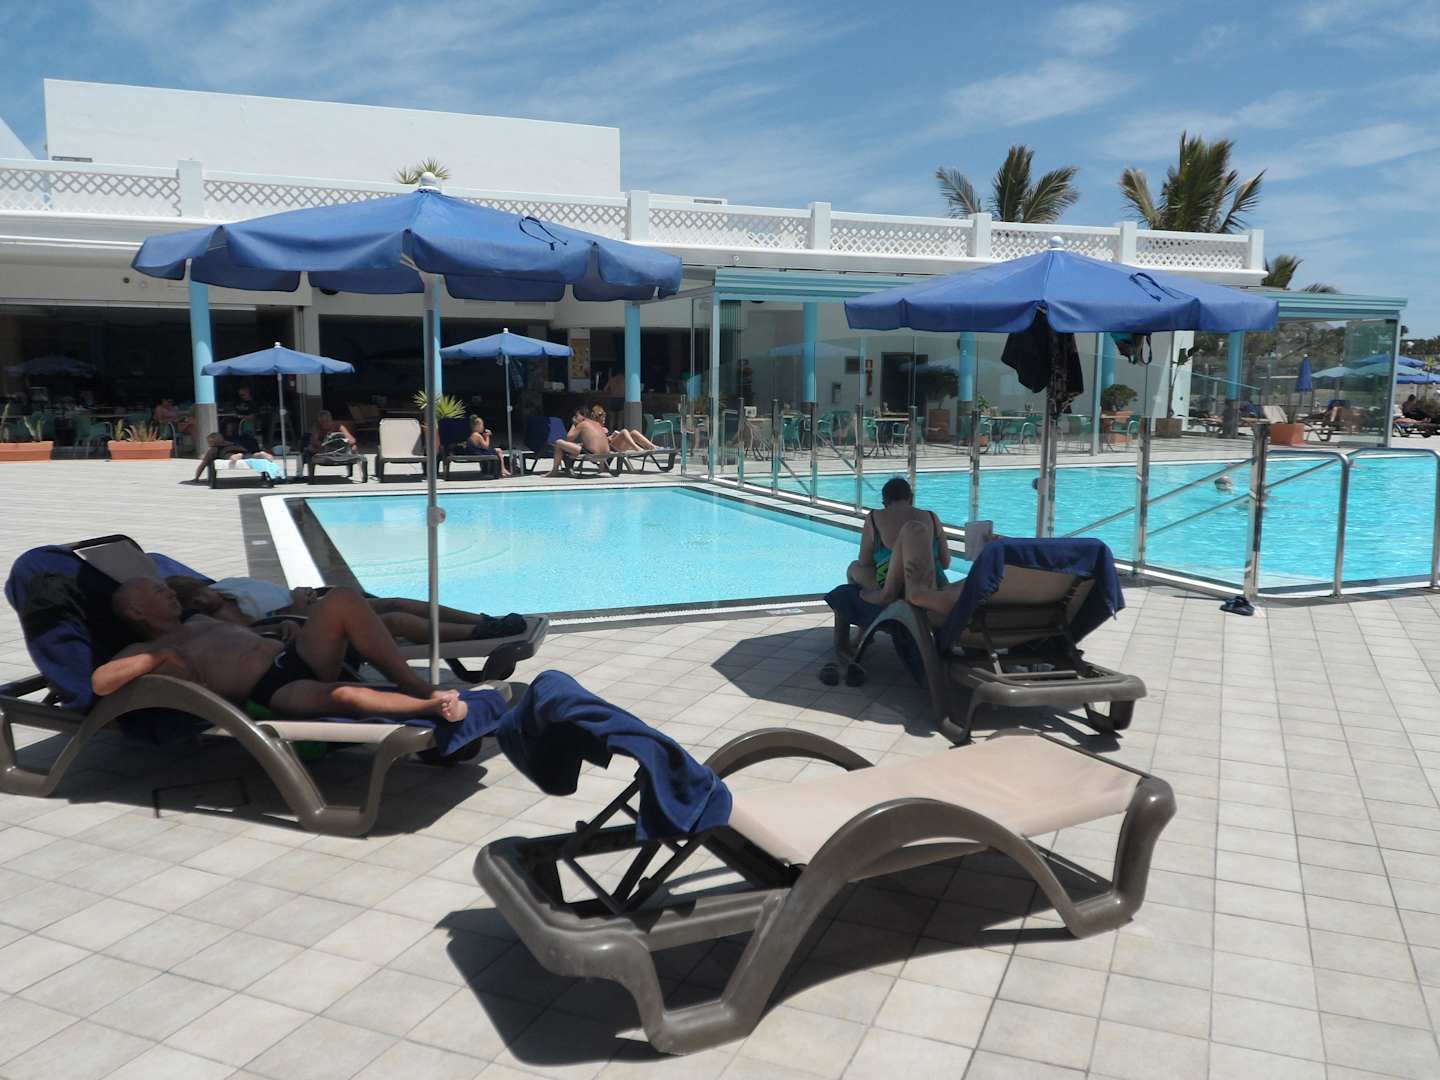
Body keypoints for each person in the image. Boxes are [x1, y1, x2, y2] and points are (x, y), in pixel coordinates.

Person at [93, 579, 468, 723]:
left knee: (342, 598)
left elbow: (239, 637)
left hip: (293, 654)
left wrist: (276, 627)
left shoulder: (196, 619)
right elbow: (100, 682)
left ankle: (415, 686)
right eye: (156, 591)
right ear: (135, 611)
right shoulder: (145, 648)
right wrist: (156, 659)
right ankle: (430, 707)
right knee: (345, 695)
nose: (168, 591)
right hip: (272, 689)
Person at [166, 574, 525, 644]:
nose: (203, 598)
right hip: (312, 628)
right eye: (195, 601)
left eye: (201, 590)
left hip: (317, 605)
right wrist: (300, 604)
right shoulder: (219, 621)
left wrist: (306, 597)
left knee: (395, 602)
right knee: (395, 620)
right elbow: (269, 634)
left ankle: (483, 620)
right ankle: (478, 633)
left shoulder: (226, 590)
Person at [846, 477, 950, 607]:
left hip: (892, 586)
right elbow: (945, 562)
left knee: (853, 568)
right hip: (932, 583)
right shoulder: (931, 517)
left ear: (884, 502)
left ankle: (866, 614)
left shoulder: (874, 518)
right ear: (911, 498)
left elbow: (865, 561)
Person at [548, 408, 611, 475]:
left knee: (558, 442)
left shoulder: (583, 424)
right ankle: (568, 468)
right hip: (606, 454)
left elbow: (568, 438)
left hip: (593, 454)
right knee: (578, 446)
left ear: (583, 416)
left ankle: (554, 471)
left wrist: (574, 425)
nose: (574, 417)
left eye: (576, 415)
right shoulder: (597, 424)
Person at [192, 431, 274, 482]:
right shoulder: (229, 442)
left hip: (229, 453)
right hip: (240, 449)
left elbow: (203, 464)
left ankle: (236, 456)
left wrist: (196, 477)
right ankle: (261, 453)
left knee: (230, 456)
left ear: (211, 442)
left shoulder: (214, 449)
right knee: (251, 455)